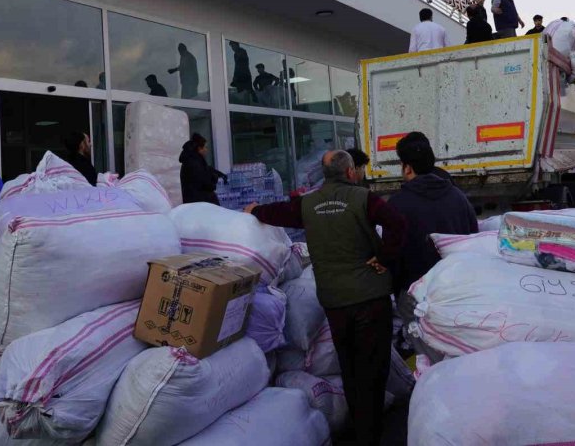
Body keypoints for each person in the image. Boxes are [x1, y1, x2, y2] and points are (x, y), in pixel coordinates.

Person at [244, 150, 406, 446]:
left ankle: (360, 430)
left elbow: (278, 212)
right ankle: (372, 433)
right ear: (351, 172)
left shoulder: (307, 204)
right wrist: (384, 257)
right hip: (370, 297)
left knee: (350, 366)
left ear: (324, 174)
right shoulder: (364, 199)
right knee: (373, 366)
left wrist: (255, 210)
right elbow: (398, 223)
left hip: (335, 301)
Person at [388, 132, 477, 296]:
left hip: (414, 291)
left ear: (407, 168)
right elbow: (473, 237)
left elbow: (392, 252)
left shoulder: (396, 204)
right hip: (455, 288)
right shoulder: (458, 197)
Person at [179, 133, 225, 205]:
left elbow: (206, 170)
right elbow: (205, 182)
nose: (207, 150)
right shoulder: (194, 162)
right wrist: (214, 178)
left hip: (195, 201)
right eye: (205, 147)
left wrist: (219, 174)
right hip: (200, 203)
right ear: (199, 148)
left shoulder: (192, 159)